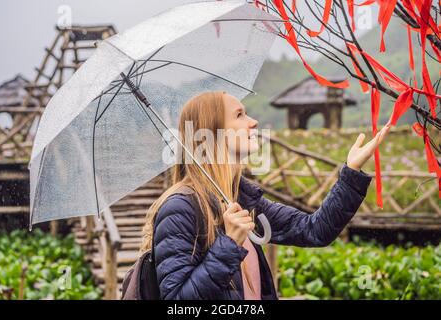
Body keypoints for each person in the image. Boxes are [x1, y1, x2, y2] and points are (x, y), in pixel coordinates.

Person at [140, 91, 390, 300]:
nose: (253, 122)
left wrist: (351, 172)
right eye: (239, 115)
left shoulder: (242, 199)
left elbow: (314, 230)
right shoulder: (180, 209)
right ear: (213, 132)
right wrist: (228, 244)